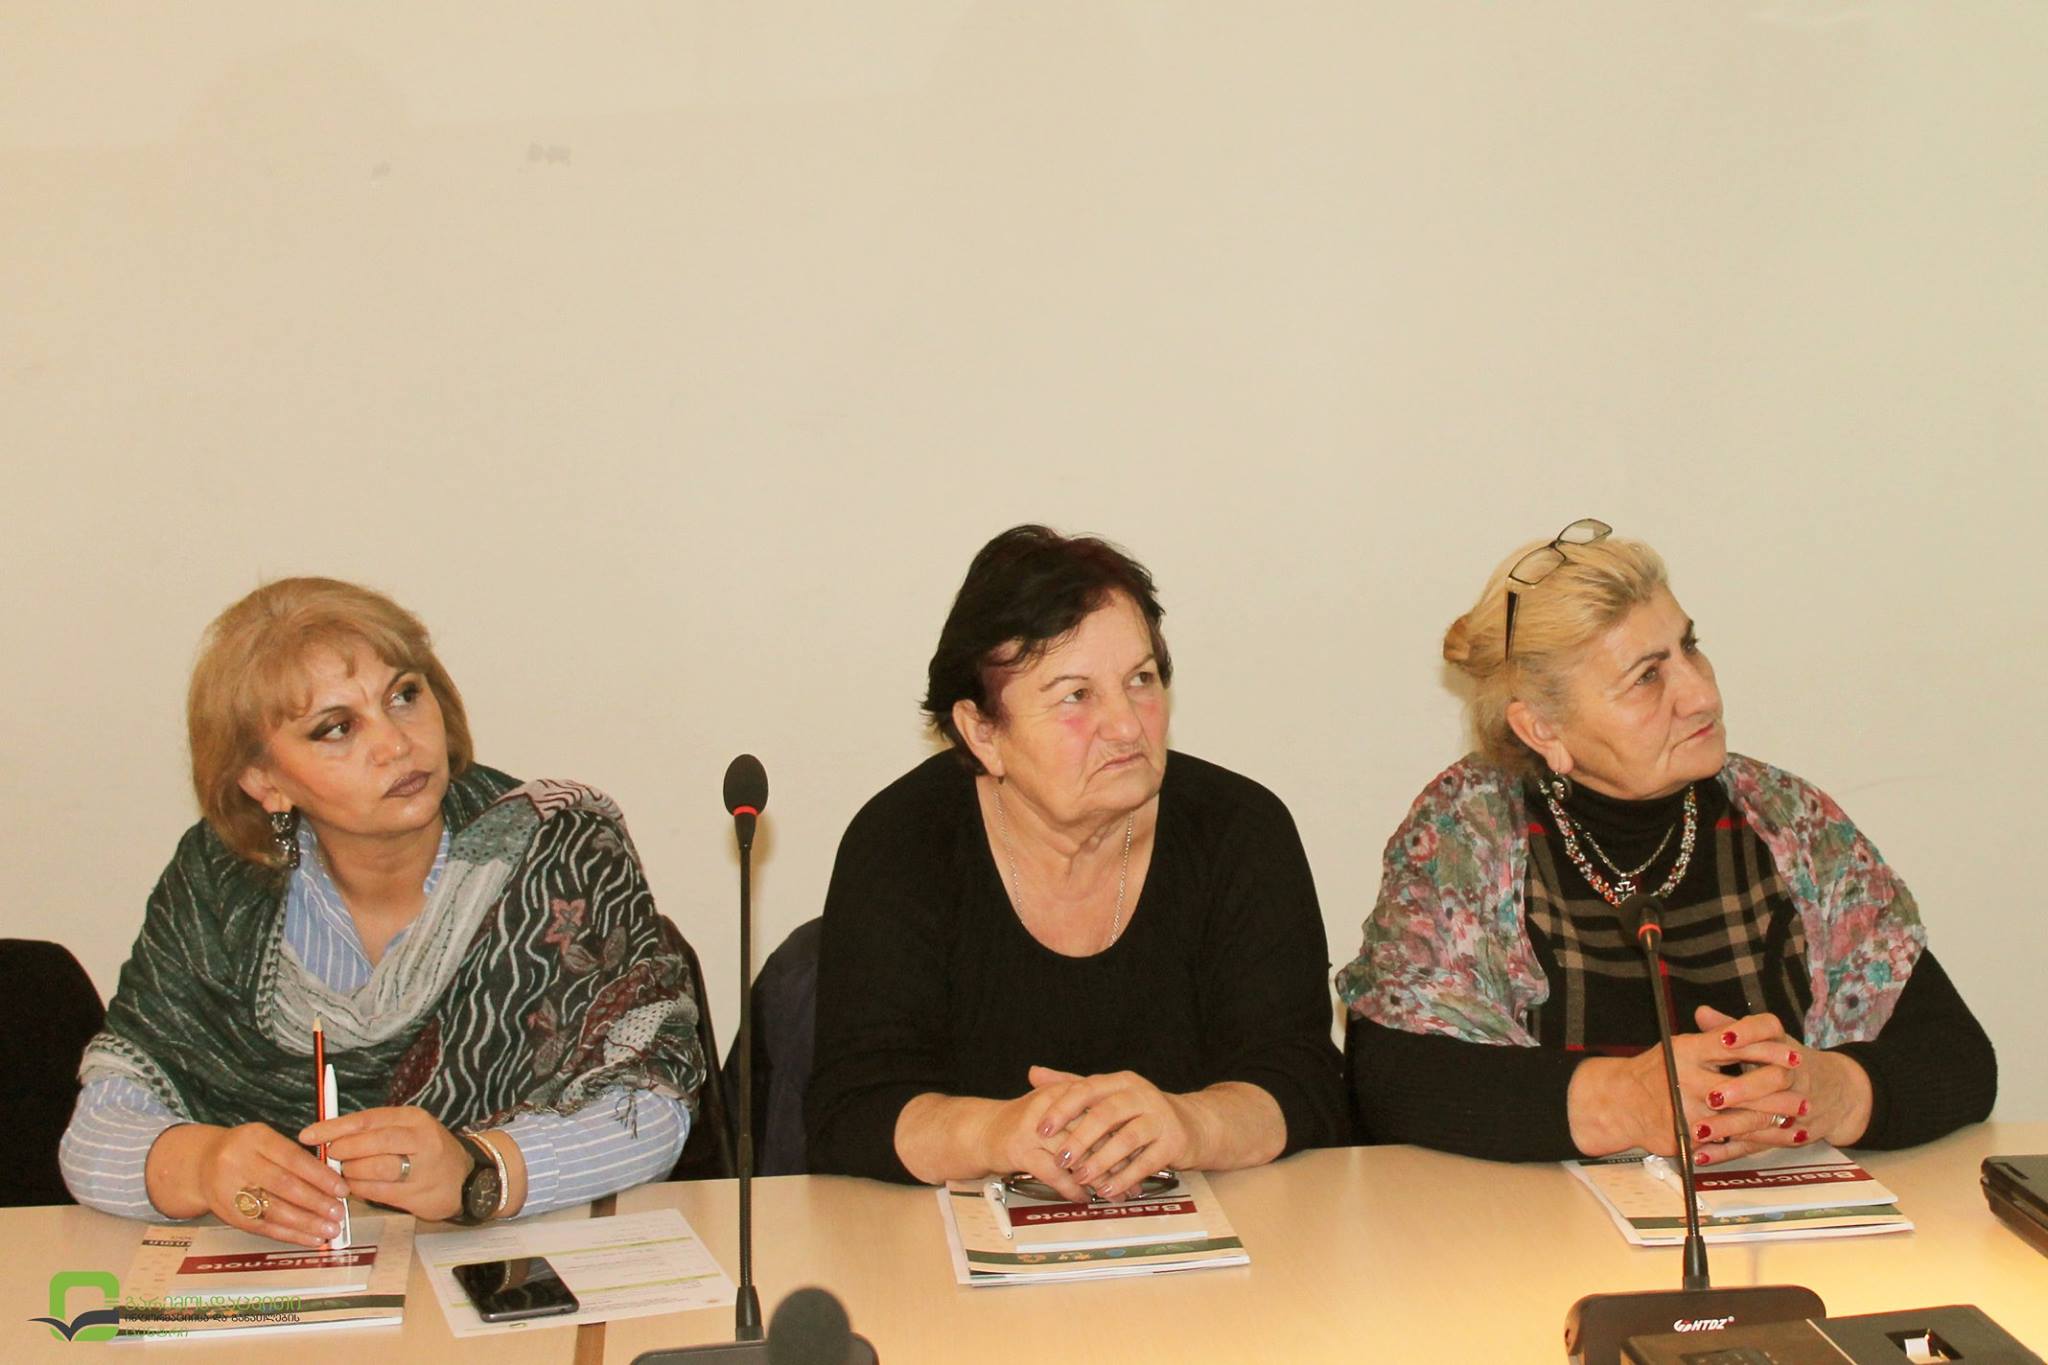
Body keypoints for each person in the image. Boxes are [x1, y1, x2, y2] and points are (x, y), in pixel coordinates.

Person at [61, 578, 705, 1244]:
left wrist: (482, 1171)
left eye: (404, 695)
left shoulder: (558, 851)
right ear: (265, 782)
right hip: (291, 1279)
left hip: (511, 1263)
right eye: (337, 728)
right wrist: (201, 1165)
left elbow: (655, 1105)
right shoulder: (220, 883)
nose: (396, 743)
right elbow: (97, 1128)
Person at [1338, 520, 1995, 1165]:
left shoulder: (1788, 820)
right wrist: (1623, 1101)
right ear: (1542, 728)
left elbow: (1957, 1057)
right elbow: (1394, 1078)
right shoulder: (1465, 831)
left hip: (1780, 1214)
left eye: (1690, 647)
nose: (1702, 694)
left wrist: (1836, 1092)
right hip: (1533, 1226)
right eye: (1647, 677)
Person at [808, 525, 1346, 1199]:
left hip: (1221, 1239)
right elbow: (853, 1108)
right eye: (1076, 695)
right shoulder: (903, 840)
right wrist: (996, 1132)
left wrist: (1191, 1122)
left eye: (1141, 680)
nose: (1127, 725)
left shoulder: (1239, 831)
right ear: (982, 731)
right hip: (944, 1248)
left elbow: (1304, 1081)